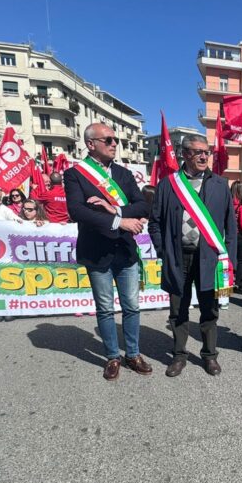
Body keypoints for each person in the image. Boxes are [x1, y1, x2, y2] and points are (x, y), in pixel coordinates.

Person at [65, 122, 152, 380]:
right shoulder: (76, 174)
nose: (115, 144)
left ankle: (133, 354)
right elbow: (77, 211)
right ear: (91, 144)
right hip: (96, 251)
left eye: (117, 140)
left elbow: (141, 206)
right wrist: (119, 222)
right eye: (109, 140)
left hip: (125, 251)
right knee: (104, 308)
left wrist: (114, 209)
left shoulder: (124, 174)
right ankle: (113, 356)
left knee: (131, 306)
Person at [149, 136, 236, 377]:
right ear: (184, 154)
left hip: (210, 259)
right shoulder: (168, 184)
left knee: (210, 310)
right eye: (197, 152)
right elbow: (154, 223)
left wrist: (231, 262)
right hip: (178, 258)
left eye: (206, 152)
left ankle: (210, 356)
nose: (203, 157)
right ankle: (179, 355)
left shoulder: (220, 184)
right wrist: (163, 252)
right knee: (178, 310)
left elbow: (231, 227)